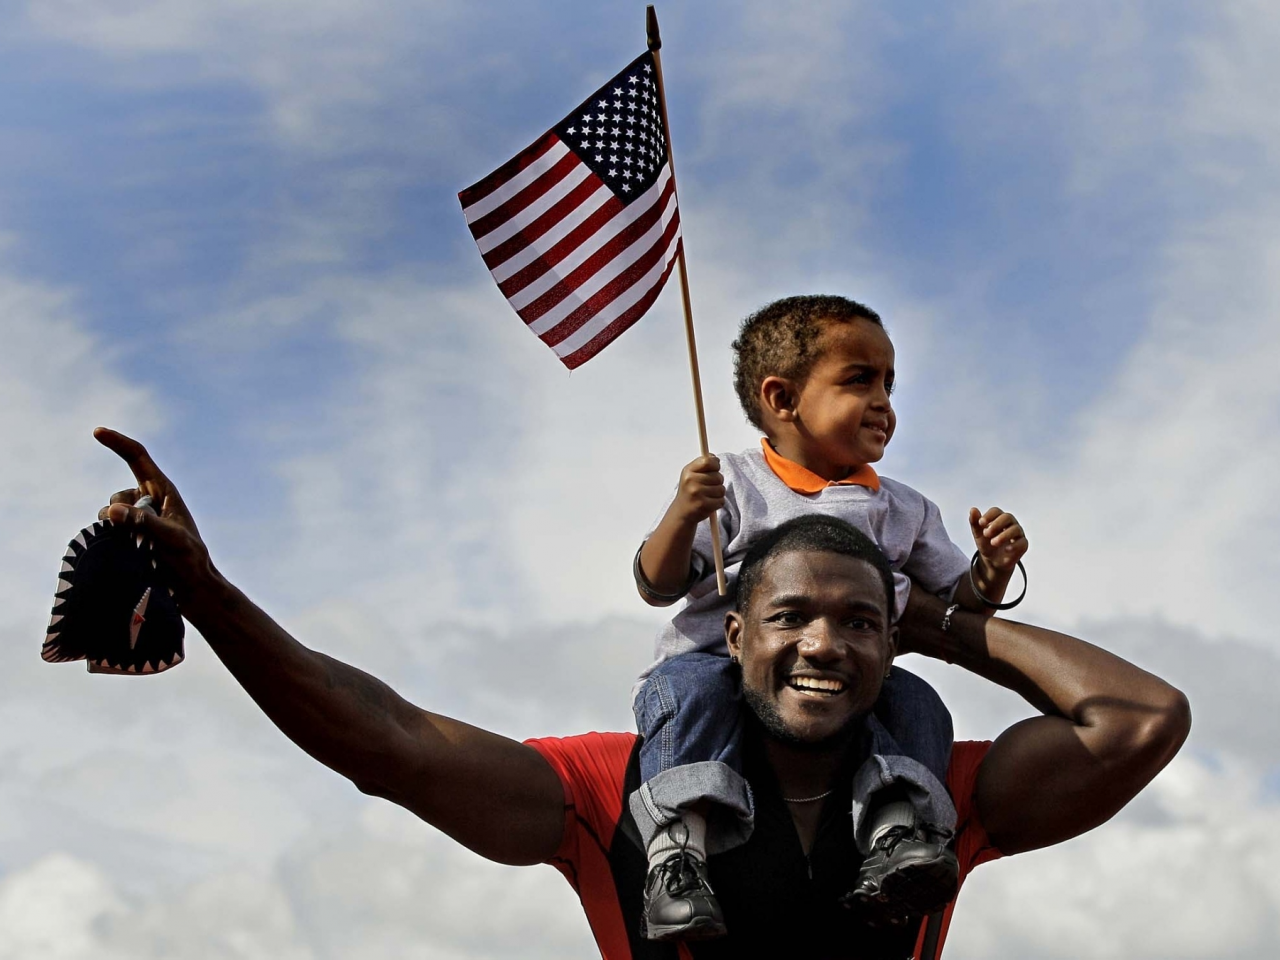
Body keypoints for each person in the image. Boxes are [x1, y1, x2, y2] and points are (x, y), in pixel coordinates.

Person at [89, 428, 1190, 959]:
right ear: (731, 634)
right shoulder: (617, 787)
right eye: (790, 618)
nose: (824, 646)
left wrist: (938, 626)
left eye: (856, 625)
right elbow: (388, 742)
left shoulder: (933, 795)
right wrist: (210, 595)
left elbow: (1140, 720)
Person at [632, 295, 1027, 938]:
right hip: (713, 665)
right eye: (859, 380)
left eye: (889, 383)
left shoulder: (905, 509)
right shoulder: (733, 483)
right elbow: (658, 583)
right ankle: (677, 856)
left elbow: (955, 601)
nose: (883, 401)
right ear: (782, 400)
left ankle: (899, 834)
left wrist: (991, 569)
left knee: (916, 700)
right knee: (686, 697)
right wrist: (682, 514)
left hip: (843, 687)